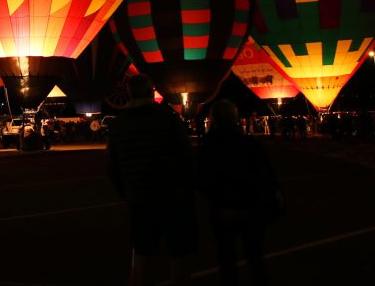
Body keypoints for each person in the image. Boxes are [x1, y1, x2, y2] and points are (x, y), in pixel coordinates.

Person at [107, 74, 197, 286]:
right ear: (151, 92)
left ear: (128, 94)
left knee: (143, 254)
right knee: (179, 253)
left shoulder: (118, 125)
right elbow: (187, 157)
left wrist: (126, 191)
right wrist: (188, 188)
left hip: (139, 200)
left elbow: (111, 167)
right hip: (174, 198)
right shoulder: (168, 119)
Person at [197, 99, 281, 286]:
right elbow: (268, 175)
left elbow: (200, 179)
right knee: (255, 257)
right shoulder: (250, 143)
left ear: (213, 119)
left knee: (226, 260)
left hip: (221, 210)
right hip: (251, 208)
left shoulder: (207, 148)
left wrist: (214, 199)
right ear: (235, 118)